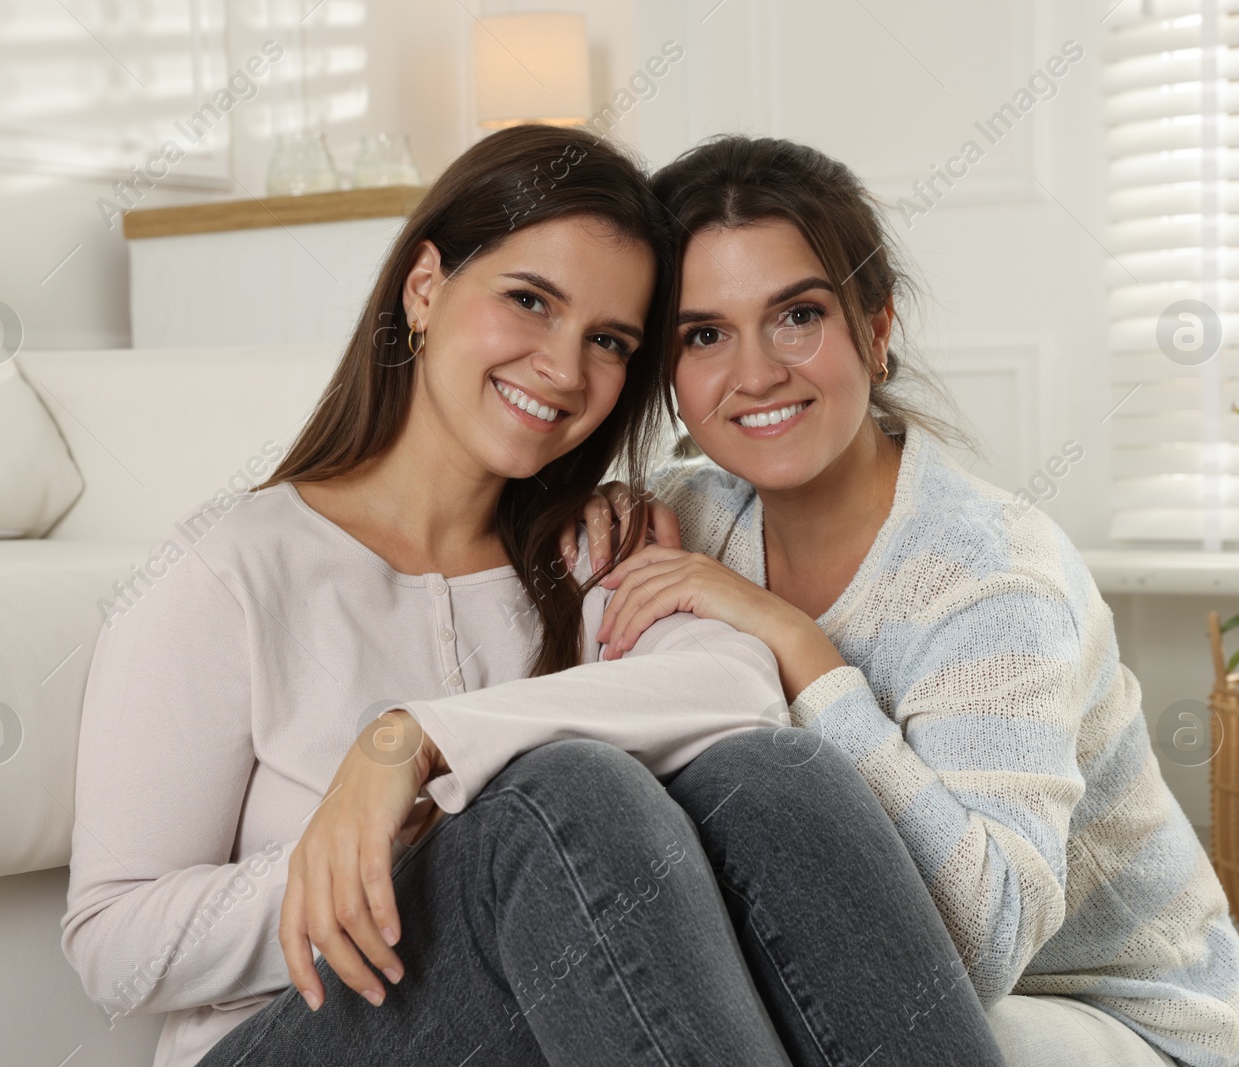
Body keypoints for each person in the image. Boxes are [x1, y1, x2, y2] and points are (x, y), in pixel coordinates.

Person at [61, 124, 1008, 1067]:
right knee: (556, 794)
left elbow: (740, 692)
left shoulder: (588, 547)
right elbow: (110, 944)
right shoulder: (231, 567)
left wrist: (416, 737)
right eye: (528, 301)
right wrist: (377, 869)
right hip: (285, 1040)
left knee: (774, 777)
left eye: (608, 341)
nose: (563, 369)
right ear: (425, 286)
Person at [570, 136, 1239, 1067]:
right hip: (845, 973)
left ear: (878, 326)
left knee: (813, 1029)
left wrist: (798, 644)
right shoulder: (688, 514)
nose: (758, 372)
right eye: (704, 334)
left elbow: (970, 955)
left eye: (798, 315)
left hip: (1101, 1012)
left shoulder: (993, 581)